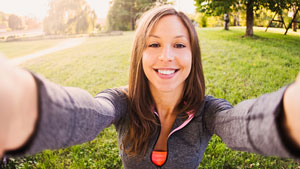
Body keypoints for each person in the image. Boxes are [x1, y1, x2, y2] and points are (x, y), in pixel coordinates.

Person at [0, 6, 300, 169]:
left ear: (192, 55)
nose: (166, 56)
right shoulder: (120, 101)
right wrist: (25, 104)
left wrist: (289, 115)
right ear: (139, 54)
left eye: (179, 45)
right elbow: (88, 113)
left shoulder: (209, 110)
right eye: (153, 44)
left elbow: (239, 124)